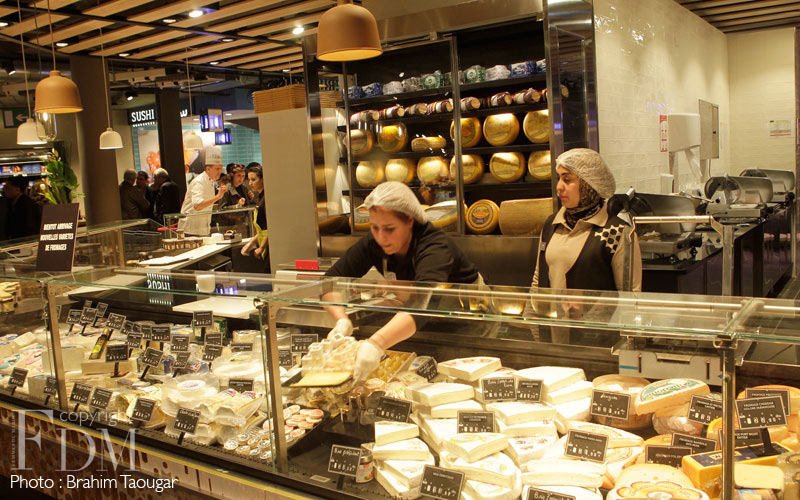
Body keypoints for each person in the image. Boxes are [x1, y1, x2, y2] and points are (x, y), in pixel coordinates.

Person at [323, 181, 482, 380]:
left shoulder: (435, 246)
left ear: (410, 221)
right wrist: (341, 320)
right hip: (419, 322)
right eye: (374, 228)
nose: (381, 237)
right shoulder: (374, 242)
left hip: (468, 319)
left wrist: (376, 343)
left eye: (389, 229)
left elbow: (421, 304)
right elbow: (330, 280)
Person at [532, 148, 641, 292]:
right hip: (553, 315)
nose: (559, 187)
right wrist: (530, 312)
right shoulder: (552, 225)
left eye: (567, 179)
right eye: (558, 178)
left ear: (589, 183)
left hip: (598, 316)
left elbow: (630, 295)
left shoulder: (618, 232)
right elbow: (537, 282)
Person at [178, 146, 228, 235]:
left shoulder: (212, 181)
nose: (220, 172)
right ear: (208, 169)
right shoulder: (199, 182)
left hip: (203, 229)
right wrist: (218, 197)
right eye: (217, 169)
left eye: (221, 168)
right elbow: (197, 205)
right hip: (190, 230)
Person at [240, 165, 268, 269]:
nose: (250, 183)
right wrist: (251, 243)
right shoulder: (260, 197)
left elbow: (271, 228)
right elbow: (262, 230)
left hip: (270, 247)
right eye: (249, 180)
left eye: (253, 179)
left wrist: (262, 247)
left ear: (263, 179)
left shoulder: (267, 198)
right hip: (264, 247)